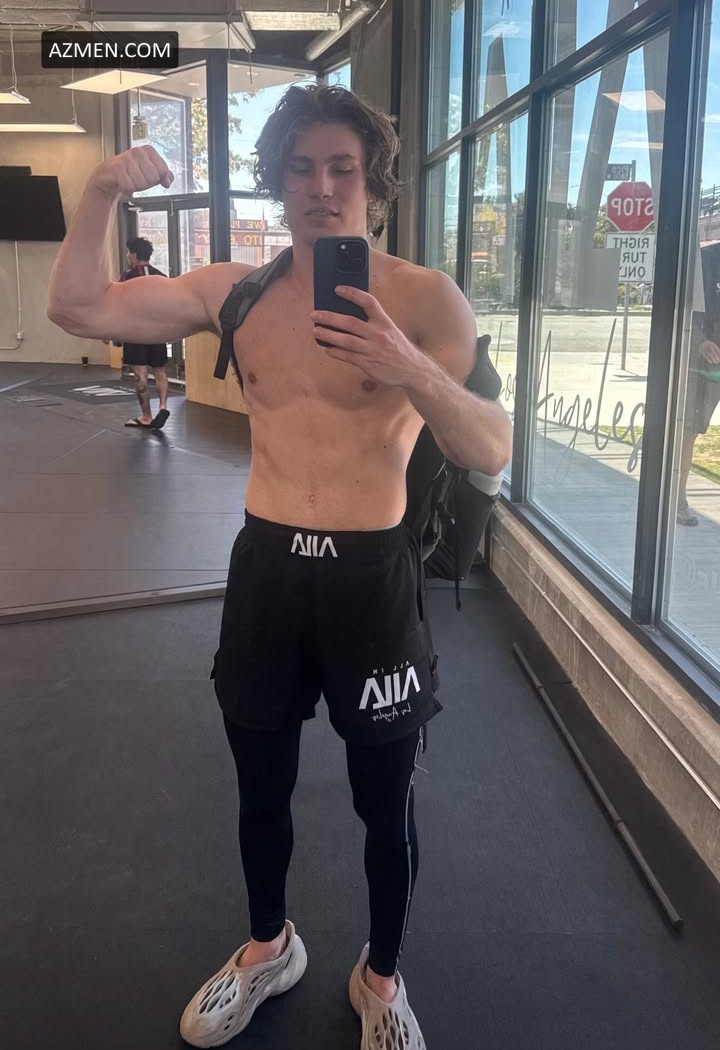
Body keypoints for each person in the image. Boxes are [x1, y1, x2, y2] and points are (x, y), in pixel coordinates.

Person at [47, 85, 512, 1049]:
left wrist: (411, 367)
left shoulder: (426, 298)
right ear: (278, 181)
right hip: (268, 572)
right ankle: (270, 947)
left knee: (385, 803)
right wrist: (99, 194)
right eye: (300, 169)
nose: (321, 187)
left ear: (373, 183)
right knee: (260, 786)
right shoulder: (237, 291)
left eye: (342, 168)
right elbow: (76, 306)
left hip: (372, 581)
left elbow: (490, 448)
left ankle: (381, 978)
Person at [677, 239, 720, 526]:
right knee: (687, 433)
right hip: (705, 368)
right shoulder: (706, 260)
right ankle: (677, 499)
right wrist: (700, 341)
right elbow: (682, 309)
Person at [120, 236, 172, 430]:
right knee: (159, 370)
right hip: (157, 332)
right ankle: (163, 406)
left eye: (128, 253)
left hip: (135, 332)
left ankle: (146, 416)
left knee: (140, 375)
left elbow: (118, 306)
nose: (127, 256)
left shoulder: (127, 278)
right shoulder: (161, 277)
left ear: (134, 255)